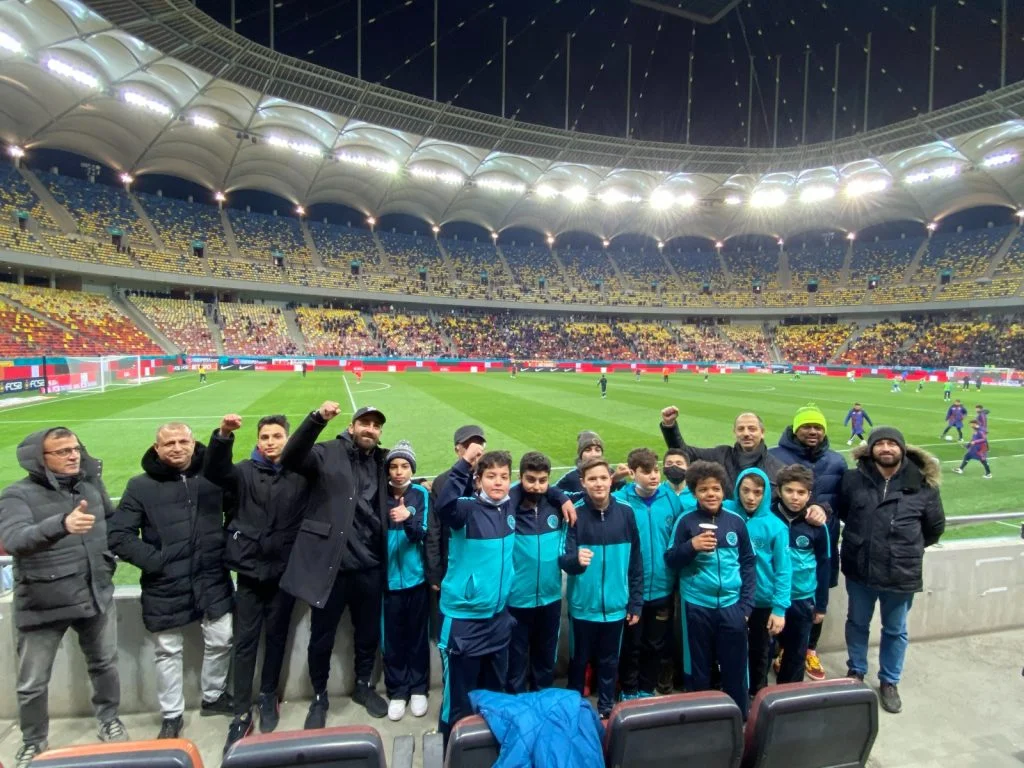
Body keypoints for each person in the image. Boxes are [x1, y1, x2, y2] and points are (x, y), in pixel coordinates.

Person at [0, 428, 128, 767]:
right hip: (43, 600)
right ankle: (33, 740)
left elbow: (111, 525)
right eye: (62, 451)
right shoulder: (16, 495)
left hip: (95, 592)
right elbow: (14, 540)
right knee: (33, 682)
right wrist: (62, 524)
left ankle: (109, 720)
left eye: (75, 449)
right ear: (39, 459)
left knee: (105, 665)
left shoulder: (90, 486)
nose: (73, 455)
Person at [108, 423, 234, 739]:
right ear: (157, 448)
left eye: (182, 441)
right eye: (169, 443)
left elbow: (238, 512)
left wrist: (226, 548)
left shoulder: (212, 477)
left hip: (212, 576)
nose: (176, 448)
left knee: (222, 638)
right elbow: (119, 535)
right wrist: (157, 562)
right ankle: (172, 715)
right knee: (167, 651)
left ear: (193, 443)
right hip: (165, 583)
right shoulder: (140, 486)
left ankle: (213, 695)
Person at [277, 403, 391, 724]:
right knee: (321, 637)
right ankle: (319, 696)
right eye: (365, 423)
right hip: (331, 568)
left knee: (367, 634)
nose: (370, 429)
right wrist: (316, 420)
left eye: (376, 426)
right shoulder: (327, 452)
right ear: (352, 427)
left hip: (370, 566)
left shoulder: (381, 461)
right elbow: (290, 457)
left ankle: (363, 686)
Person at [202, 414, 308, 753]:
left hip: (284, 572)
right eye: (265, 437)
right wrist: (223, 436)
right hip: (249, 572)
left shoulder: (299, 473)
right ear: (258, 441)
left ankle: (268, 696)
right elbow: (215, 471)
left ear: (288, 439)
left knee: (276, 638)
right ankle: (240, 711)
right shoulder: (244, 471)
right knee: (245, 642)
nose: (271, 442)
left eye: (277, 436)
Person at [838, 427, 945, 714]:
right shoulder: (853, 480)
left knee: (895, 630)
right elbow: (846, 513)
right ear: (871, 449)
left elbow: (934, 528)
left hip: (901, 571)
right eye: (880, 443)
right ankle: (856, 670)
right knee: (856, 623)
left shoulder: (923, 485)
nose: (886, 448)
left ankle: (889, 681)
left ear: (902, 448)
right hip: (860, 567)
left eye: (892, 444)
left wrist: (903, 549)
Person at [434, 447, 518, 741]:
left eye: (504, 476)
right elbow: (443, 505)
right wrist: (465, 463)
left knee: (494, 695)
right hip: (463, 621)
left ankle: (486, 750)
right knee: (458, 700)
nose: (498, 482)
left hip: (498, 619)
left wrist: (561, 498)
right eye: (491, 476)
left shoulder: (510, 506)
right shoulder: (466, 510)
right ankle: (450, 750)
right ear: (478, 480)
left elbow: (543, 489)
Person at [665, 460, 755, 718]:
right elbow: (671, 559)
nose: (711, 494)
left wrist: (746, 605)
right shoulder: (686, 521)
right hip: (696, 605)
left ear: (723, 490)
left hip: (732, 605)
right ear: (694, 492)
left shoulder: (736, 522)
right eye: (703, 489)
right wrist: (691, 546)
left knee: (735, 665)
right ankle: (701, 717)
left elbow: (748, 563)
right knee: (698, 665)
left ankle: (739, 716)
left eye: (715, 488)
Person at [560, 458, 643, 719]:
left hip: (616, 606)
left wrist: (635, 601)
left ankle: (606, 708)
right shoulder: (575, 513)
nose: (599, 483)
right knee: (579, 660)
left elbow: (636, 561)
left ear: (611, 480)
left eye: (603, 478)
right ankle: (575, 708)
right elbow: (563, 557)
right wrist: (576, 561)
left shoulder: (626, 512)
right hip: (583, 606)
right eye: (592, 479)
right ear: (583, 482)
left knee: (610, 661)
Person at [769, 404, 844, 681]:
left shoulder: (837, 461)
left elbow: (843, 501)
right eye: (807, 426)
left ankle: (809, 650)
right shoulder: (774, 455)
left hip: (820, 540)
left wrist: (824, 509)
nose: (813, 431)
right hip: (784, 541)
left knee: (813, 604)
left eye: (818, 427)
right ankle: (779, 651)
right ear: (795, 429)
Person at [612, 448, 684, 699]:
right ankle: (629, 689)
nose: (654, 476)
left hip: (663, 586)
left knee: (655, 643)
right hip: (632, 589)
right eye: (646, 472)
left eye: (656, 470)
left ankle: (645, 688)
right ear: (632, 473)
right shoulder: (620, 501)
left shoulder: (670, 498)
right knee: (632, 643)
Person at [506, 452, 573, 694]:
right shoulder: (509, 505)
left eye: (542, 480)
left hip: (550, 597)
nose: (536, 486)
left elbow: (589, 493)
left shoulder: (556, 506)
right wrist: (558, 493)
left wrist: (561, 496)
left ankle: (542, 699)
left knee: (545, 659)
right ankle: (516, 702)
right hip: (516, 599)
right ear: (520, 477)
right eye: (530, 479)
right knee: (515, 659)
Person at [723, 468, 790, 697]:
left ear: (766, 494)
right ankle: (731, 691)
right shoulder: (725, 513)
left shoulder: (775, 526)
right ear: (737, 490)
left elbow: (783, 570)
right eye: (746, 491)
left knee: (760, 650)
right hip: (731, 597)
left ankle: (757, 694)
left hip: (762, 601)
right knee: (730, 647)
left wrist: (779, 608)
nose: (751, 497)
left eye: (758, 492)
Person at [381, 440, 431, 721]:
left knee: (417, 637)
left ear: (412, 469)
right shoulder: (380, 493)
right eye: (394, 466)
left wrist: (408, 517)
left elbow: (421, 533)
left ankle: (419, 688)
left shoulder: (420, 494)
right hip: (387, 582)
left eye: (404, 466)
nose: (399, 472)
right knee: (393, 640)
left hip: (416, 579)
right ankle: (398, 691)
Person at [770, 465, 830, 685]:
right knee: (763, 650)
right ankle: (758, 693)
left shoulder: (816, 525)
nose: (795, 497)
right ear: (779, 491)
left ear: (809, 495)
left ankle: (788, 694)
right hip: (770, 597)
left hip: (801, 598)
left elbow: (824, 565)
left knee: (796, 653)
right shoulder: (767, 517)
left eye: (801, 492)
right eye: (789, 491)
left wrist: (821, 605)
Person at [659, 405, 785, 497]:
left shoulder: (777, 469)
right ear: (734, 432)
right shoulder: (721, 455)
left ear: (762, 432)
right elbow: (684, 453)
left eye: (752, 429)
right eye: (741, 429)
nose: (746, 433)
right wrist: (670, 426)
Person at [427, 425, 486, 596]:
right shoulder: (442, 482)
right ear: (457, 450)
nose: (474, 452)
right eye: (468, 446)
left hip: (482, 562)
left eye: (478, 446)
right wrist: (434, 569)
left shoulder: (491, 480)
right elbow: (434, 529)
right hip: (451, 563)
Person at [555, 430, 630, 495]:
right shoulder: (572, 477)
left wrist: (617, 479)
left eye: (597, 450)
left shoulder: (612, 473)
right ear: (581, 455)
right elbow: (552, 493)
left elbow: (625, 495)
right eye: (588, 450)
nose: (594, 454)